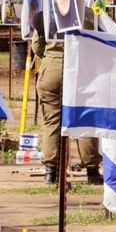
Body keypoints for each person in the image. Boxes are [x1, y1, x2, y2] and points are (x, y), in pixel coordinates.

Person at [32, 9, 102, 184]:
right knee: (85, 120)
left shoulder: (44, 14)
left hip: (52, 69)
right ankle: (92, 172)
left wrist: (52, 56)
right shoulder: (88, 14)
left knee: (52, 122)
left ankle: (51, 172)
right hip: (81, 68)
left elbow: (36, 46)